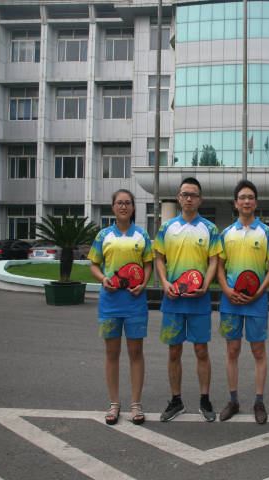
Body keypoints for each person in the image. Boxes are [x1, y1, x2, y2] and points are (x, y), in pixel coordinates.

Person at [154, 177, 222, 422]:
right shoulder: (167, 227)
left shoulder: (210, 229)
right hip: (173, 299)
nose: (189, 198)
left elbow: (214, 261)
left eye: (193, 195)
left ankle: (205, 400)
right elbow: (159, 259)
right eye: (185, 194)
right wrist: (164, 283)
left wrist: (205, 285)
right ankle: (176, 401)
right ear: (179, 198)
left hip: (199, 300)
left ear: (200, 199)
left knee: (201, 351)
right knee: (174, 351)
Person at [89, 189, 154, 426]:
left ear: (133, 207)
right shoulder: (103, 235)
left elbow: (148, 265)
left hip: (135, 303)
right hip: (109, 304)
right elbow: (94, 265)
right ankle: (114, 403)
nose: (123, 206)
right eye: (119, 203)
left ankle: (136, 403)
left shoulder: (142, 235)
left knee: (136, 353)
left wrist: (143, 284)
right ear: (113, 207)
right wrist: (103, 279)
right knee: (112, 354)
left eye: (127, 203)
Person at [216, 180, 269, 424]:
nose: (246, 201)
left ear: (256, 202)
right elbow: (219, 266)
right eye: (242, 197)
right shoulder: (226, 233)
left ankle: (259, 401)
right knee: (232, 350)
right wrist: (226, 289)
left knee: (258, 351)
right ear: (235, 203)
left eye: (250, 197)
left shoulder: (266, 232)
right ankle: (233, 400)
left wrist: (259, 292)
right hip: (230, 301)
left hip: (256, 300)